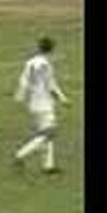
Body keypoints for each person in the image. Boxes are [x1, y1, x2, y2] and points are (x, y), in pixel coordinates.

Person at [13, 36, 70, 174]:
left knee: (45, 132)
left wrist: (19, 96)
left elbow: (23, 81)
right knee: (49, 133)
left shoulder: (30, 62)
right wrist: (63, 99)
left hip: (33, 103)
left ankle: (48, 165)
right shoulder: (45, 65)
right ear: (51, 49)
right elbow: (51, 86)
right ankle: (20, 154)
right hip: (44, 103)